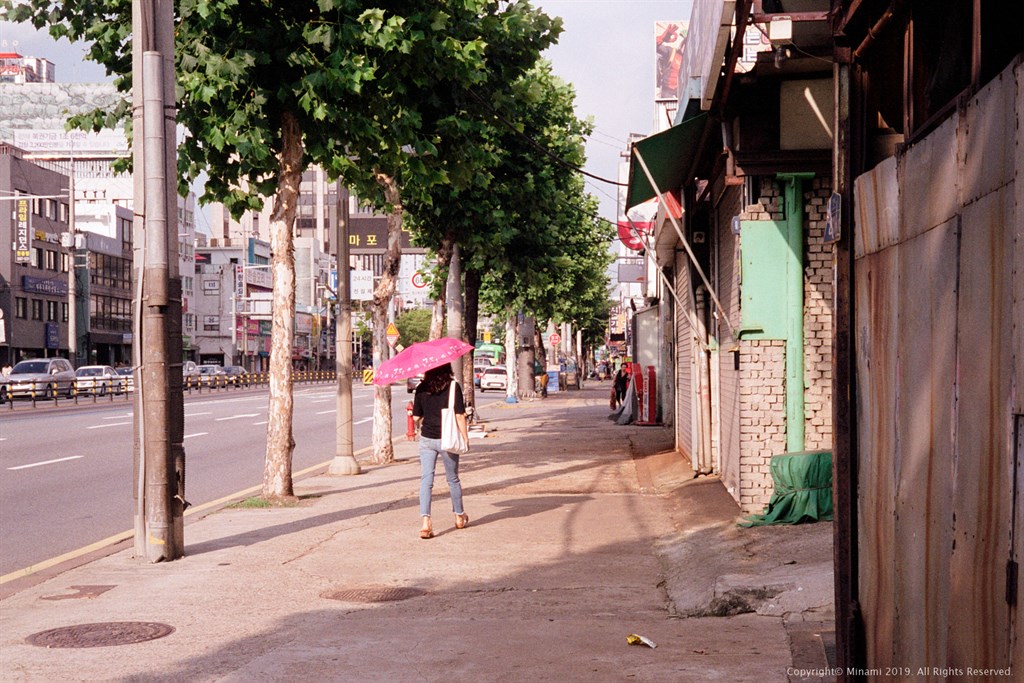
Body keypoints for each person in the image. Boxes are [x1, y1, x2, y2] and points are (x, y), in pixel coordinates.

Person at [410, 362, 470, 539]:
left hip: (427, 439)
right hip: (448, 439)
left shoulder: (421, 387)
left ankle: (425, 522)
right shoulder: (453, 386)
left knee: (426, 480)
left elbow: (415, 417)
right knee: (452, 479)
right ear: (447, 368)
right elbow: (459, 415)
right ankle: (459, 516)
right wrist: (465, 437)